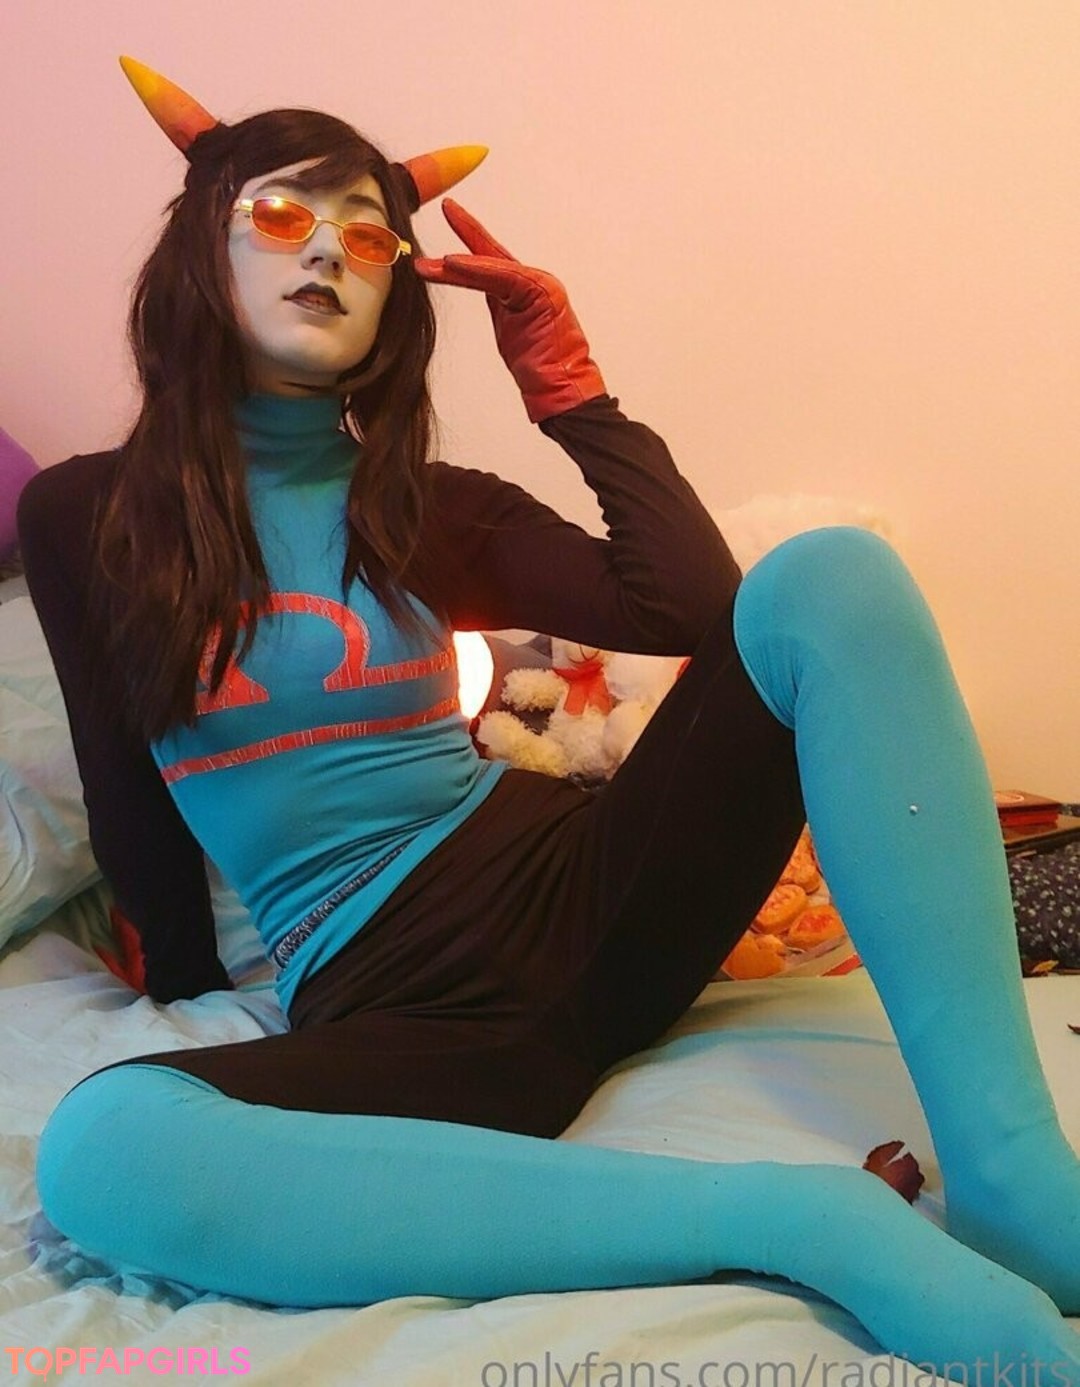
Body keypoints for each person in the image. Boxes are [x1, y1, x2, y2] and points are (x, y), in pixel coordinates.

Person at [18, 57, 1080, 1380]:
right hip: (409, 1011)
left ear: (399, 295)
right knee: (103, 1151)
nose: (331, 251)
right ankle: (803, 1225)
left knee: (832, 579)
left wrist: (572, 394)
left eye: (369, 234)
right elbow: (121, 768)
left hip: (590, 893)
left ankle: (1013, 1177)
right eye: (284, 214)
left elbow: (698, 609)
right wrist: (179, 984)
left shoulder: (422, 500)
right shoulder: (85, 516)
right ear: (199, 247)